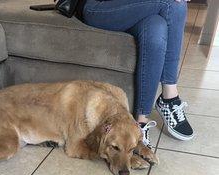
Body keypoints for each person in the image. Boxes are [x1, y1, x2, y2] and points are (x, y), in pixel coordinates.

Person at [76, 0, 194, 147]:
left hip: (135, 7)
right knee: (175, 4)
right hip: (97, 8)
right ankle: (169, 98)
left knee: (156, 27)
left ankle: (140, 123)